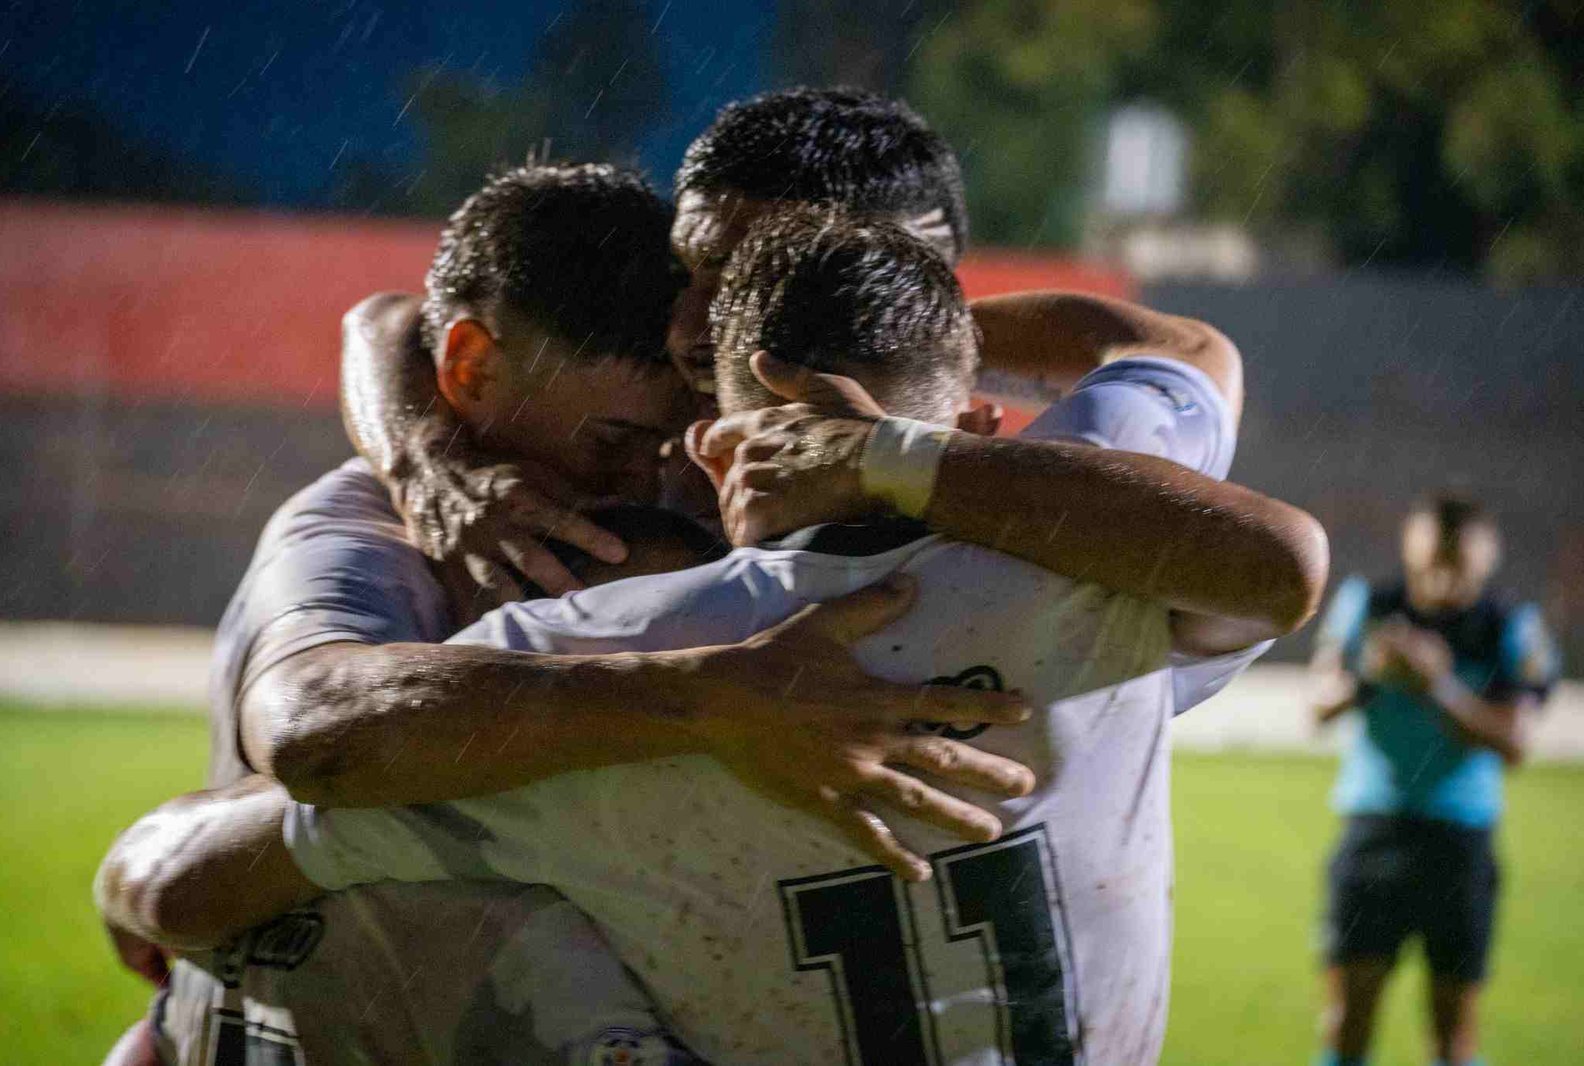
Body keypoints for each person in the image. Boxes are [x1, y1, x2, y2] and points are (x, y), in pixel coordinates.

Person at [100, 208, 1328, 1065]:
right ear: (971, 412)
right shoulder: (1105, 563)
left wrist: (700, 695)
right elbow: (1195, 396)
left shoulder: (592, 667)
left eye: (703, 346)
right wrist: (899, 425)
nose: (651, 469)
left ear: (714, 427)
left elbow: (234, 827)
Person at [338, 87, 1208, 595]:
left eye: (747, 281)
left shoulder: (1050, 535)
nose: (686, 328)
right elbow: (392, 319)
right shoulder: (606, 457)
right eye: (690, 272)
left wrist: (897, 438)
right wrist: (423, 460)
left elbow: (1187, 358)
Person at [1310, 494, 1558, 1066]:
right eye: (1431, 568)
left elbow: (1515, 743)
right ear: (1409, 550)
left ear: (1487, 559)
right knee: (1346, 1027)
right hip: (1373, 831)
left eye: (1458, 570)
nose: (1443, 582)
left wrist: (1439, 686)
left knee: (1453, 1039)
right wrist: (1370, 674)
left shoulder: (1509, 625)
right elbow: (1318, 706)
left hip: (1460, 840)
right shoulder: (1369, 605)